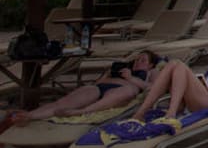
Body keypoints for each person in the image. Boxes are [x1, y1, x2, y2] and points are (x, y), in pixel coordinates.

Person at [6, 50, 160, 126]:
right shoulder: (123, 67)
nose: (138, 62)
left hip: (124, 90)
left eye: (143, 60)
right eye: (137, 59)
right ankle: (29, 116)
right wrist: (111, 75)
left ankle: (81, 112)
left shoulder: (152, 72)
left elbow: (152, 87)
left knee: (129, 90)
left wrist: (131, 78)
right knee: (63, 103)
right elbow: (99, 81)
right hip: (101, 87)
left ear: (151, 64)